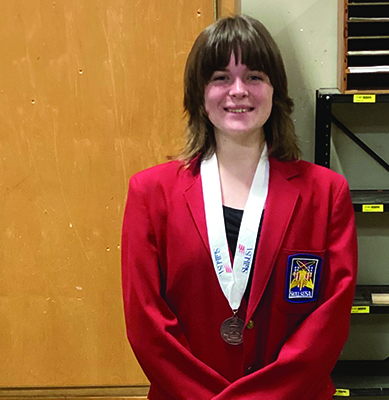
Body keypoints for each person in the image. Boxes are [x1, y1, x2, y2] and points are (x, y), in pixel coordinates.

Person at [121, 14, 357, 400]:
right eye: (220, 77)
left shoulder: (326, 194)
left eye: (254, 77)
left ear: (274, 91)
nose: (238, 90)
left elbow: (327, 324)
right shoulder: (151, 193)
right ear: (199, 93)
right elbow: (147, 325)